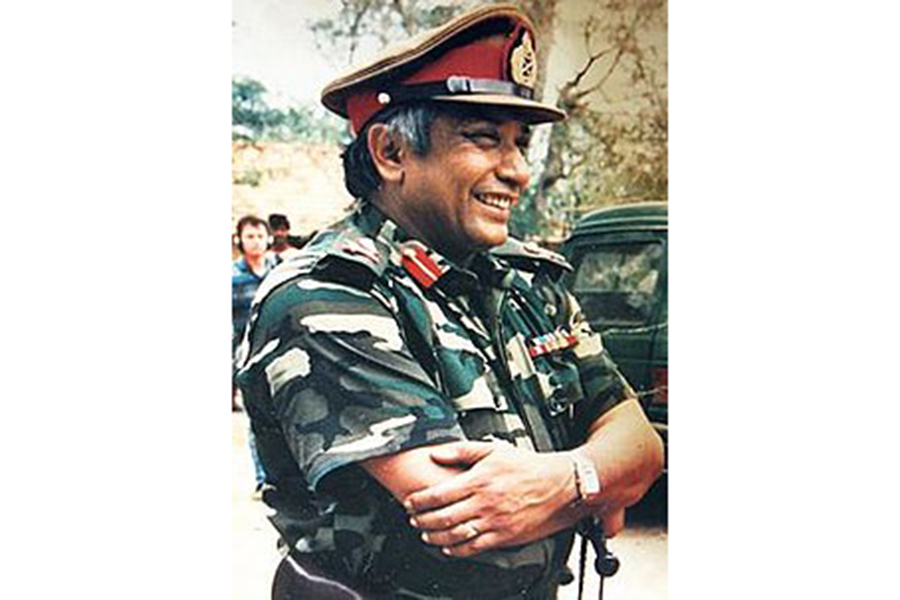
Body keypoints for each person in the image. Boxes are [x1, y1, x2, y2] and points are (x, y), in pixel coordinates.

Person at [235, 5, 664, 599]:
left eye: (520, 143)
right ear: (390, 152)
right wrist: (596, 487)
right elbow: (481, 535)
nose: (515, 170)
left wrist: (568, 480)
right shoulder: (326, 294)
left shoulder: (527, 281)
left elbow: (642, 449)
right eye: (484, 138)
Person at [232, 215, 279, 496]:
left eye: (260, 236)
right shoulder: (231, 278)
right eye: (250, 236)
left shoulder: (282, 269)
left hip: (281, 350)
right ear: (239, 240)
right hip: (248, 354)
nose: (256, 241)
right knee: (258, 419)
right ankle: (264, 480)